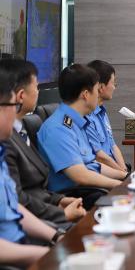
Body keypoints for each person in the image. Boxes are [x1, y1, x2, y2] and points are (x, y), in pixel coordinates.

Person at [0, 59, 85, 229]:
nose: (38, 92)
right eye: (36, 87)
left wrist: (59, 200)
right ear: (20, 96)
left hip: (46, 209)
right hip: (33, 223)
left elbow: (36, 186)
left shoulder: (21, 130)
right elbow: (18, 198)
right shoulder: (6, 139)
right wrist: (61, 213)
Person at [0, 67, 64, 268]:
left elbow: (13, 208)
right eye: (12, 106)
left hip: (26, 240)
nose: (15, 114)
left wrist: (56, 236)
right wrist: (46, 254)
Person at [37, 64, 125, 209]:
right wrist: (119, 185)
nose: (98, 95)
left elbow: (94, 165)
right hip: (74, 196)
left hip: (89, 189)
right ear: (85, 94)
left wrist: (124, 177)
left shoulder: (78, 122)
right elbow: (81, 176)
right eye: (96, 90)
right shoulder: (58, 128)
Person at [85, 60, 128, 172]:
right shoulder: (86, 116)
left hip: (114, 170)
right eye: (113, 83)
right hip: (102, 172)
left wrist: (124, 170)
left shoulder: (102, 112)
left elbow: (113, 146)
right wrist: (122, 175)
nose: (114, 87)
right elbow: (99, 156)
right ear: (101, 87)